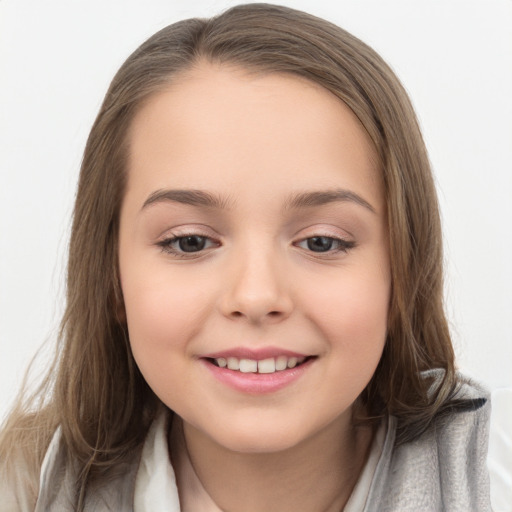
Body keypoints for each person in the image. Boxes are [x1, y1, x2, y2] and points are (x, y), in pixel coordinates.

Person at [0, 3, 491, 511]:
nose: (256, 297)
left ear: (402, 271)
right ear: (110, 276)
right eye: (189, 241)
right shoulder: (22, 490)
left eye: (321, 242)